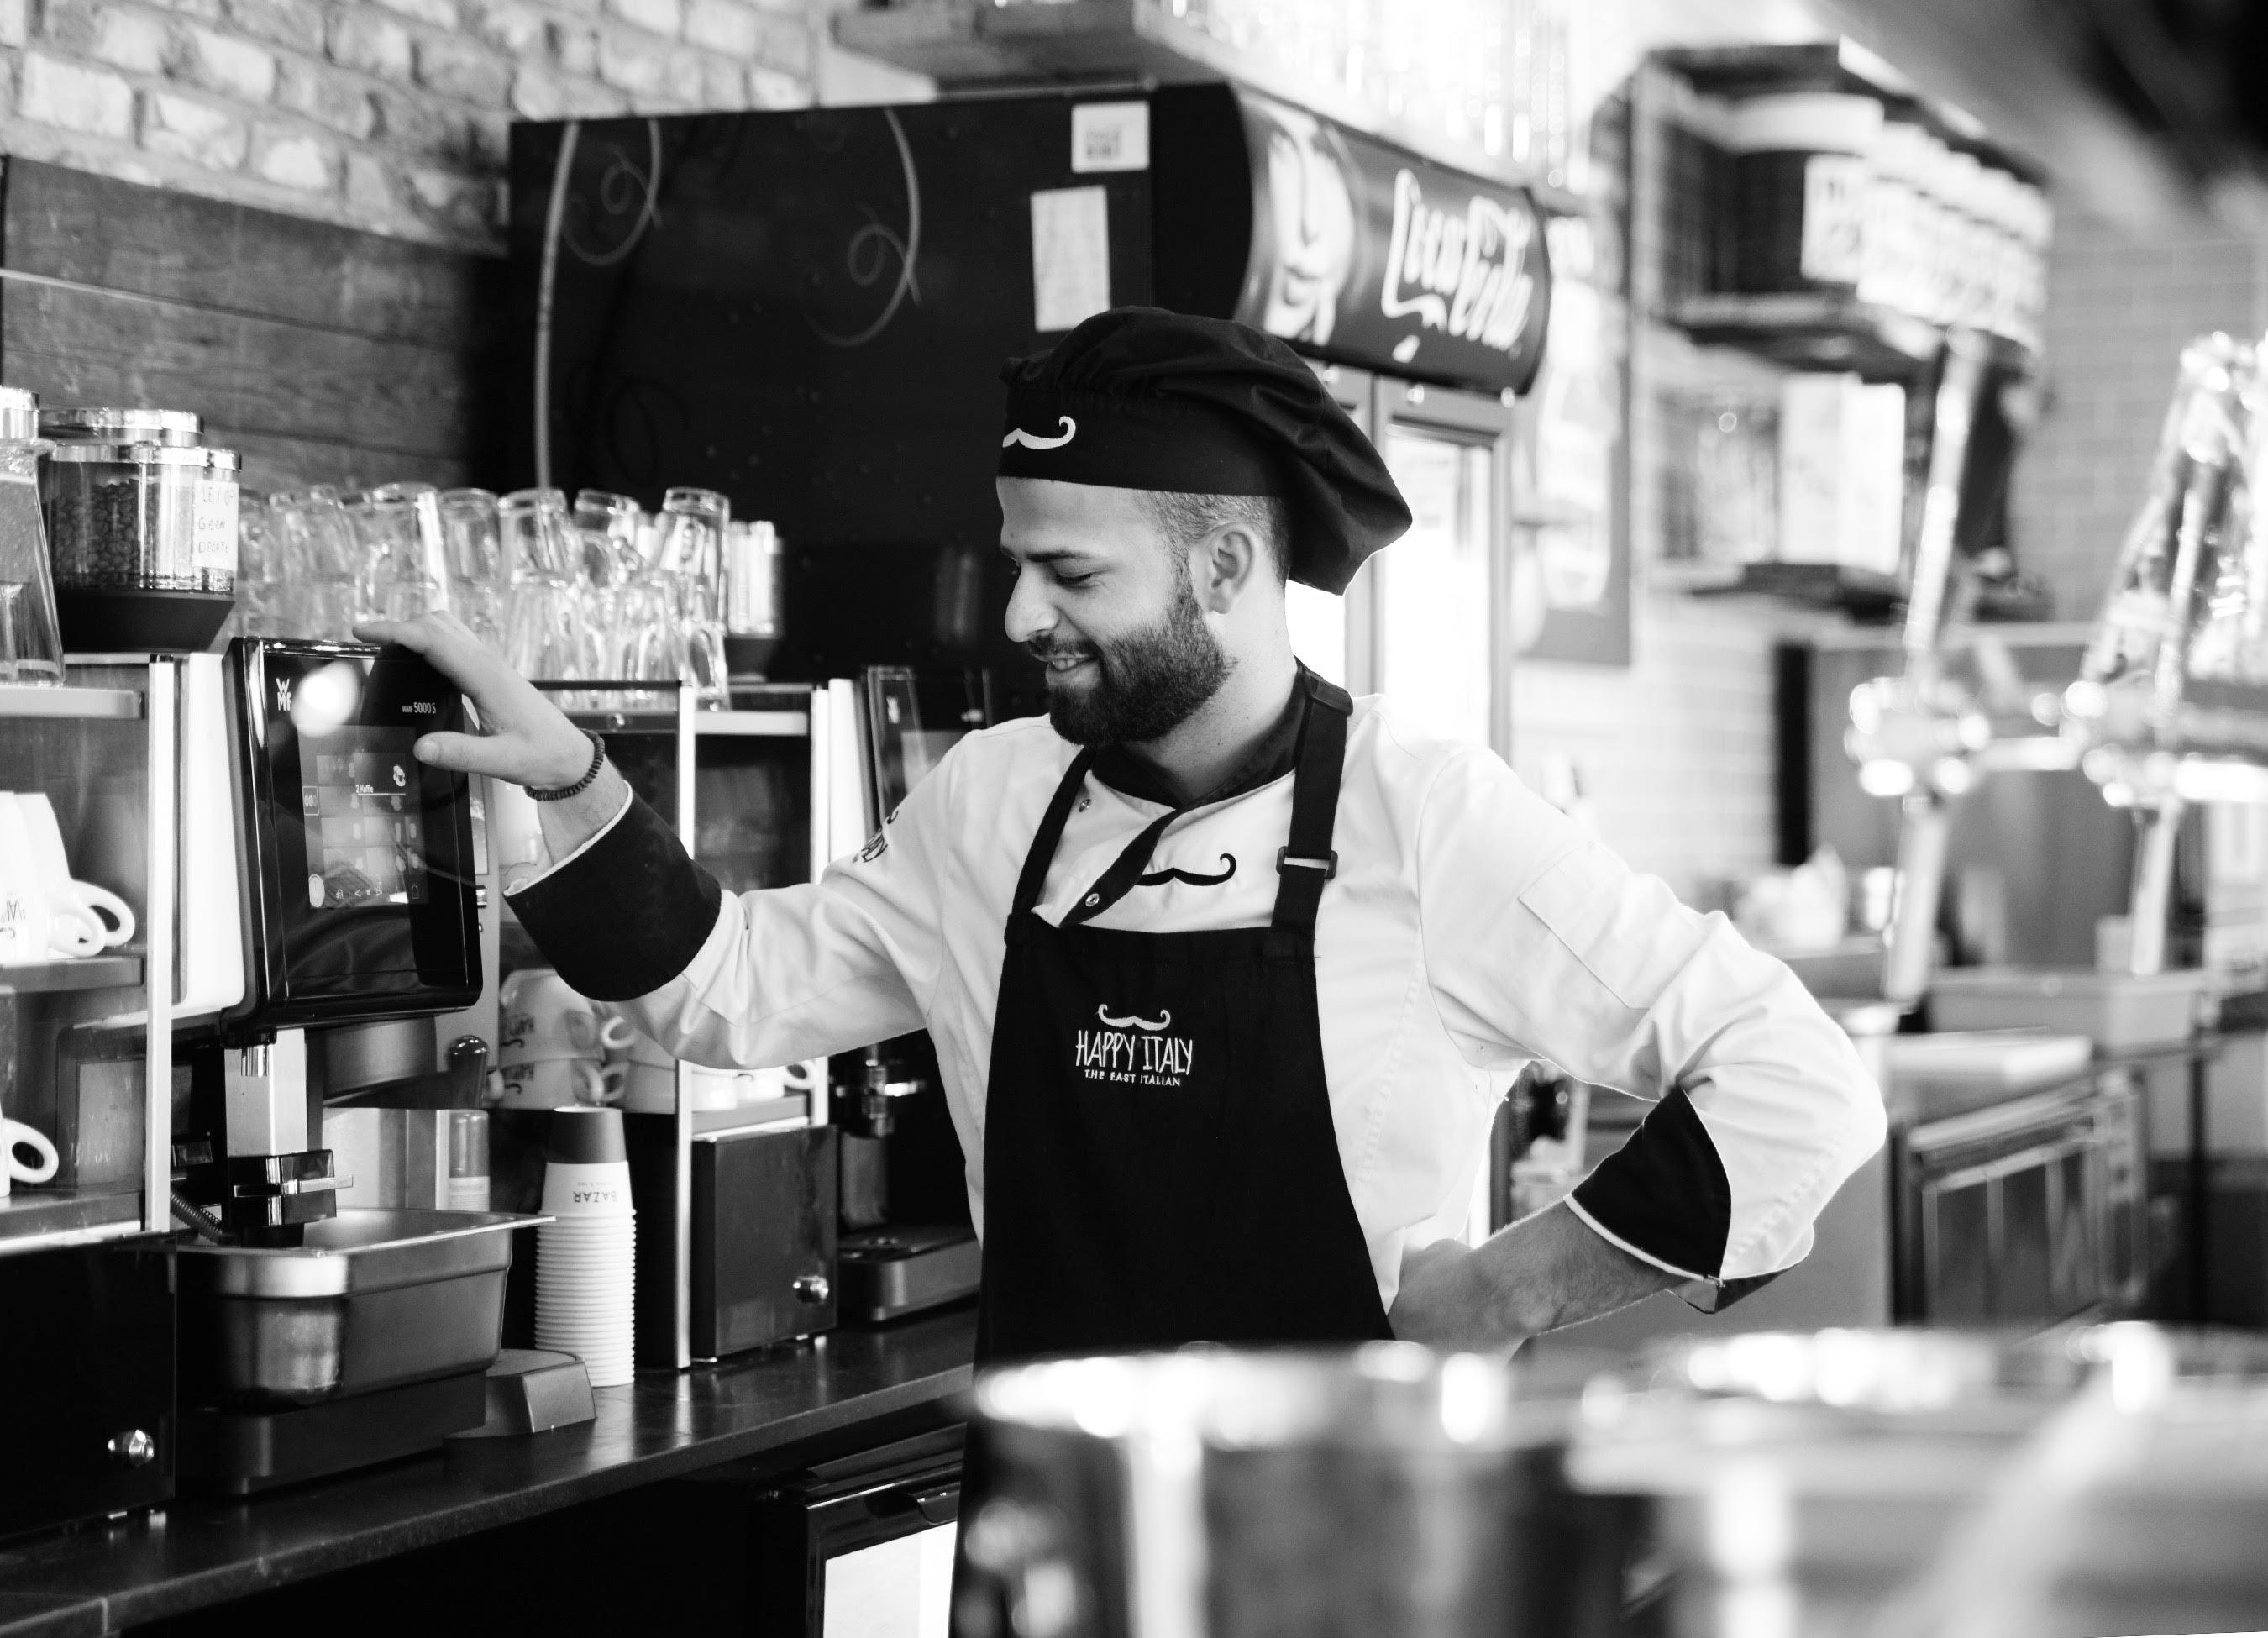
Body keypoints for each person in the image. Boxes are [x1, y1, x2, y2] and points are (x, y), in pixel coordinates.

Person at [365, 307, 1884, 1362]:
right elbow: (733, 990)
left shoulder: (1423, 817)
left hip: (1335, 1570)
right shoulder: (996, 799)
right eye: (1019, 563)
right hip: (1057, 1547)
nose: (1023, 615)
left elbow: (1794, 1085)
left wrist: (1502, 1294)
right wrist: (575, 783)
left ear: (1223, 563)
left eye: (1072, 574)